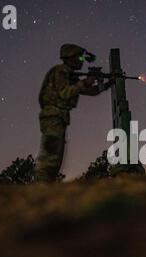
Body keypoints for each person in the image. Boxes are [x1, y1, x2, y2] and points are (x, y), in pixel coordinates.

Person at [35, 44, 113, 182]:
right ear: (71, 58)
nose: (82, 61)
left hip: (58, 118)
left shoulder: (70, 76)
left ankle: (44, 189)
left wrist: (106, 84)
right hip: (53, 117)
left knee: (56, 160)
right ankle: (39, 189)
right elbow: (65, 93)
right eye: (80, 57)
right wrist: (86, 81)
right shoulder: (61, 71)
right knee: (50, 159)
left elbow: (91, 91)